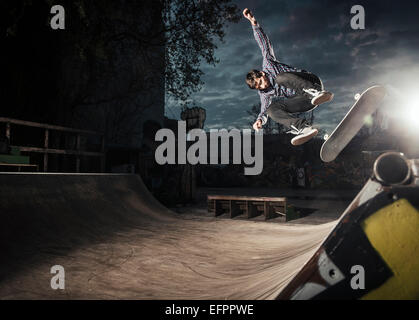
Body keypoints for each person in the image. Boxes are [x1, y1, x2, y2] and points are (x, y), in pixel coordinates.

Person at [243, 8, 334, 145]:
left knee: (280, 78)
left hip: (310, 82)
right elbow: (263, 111)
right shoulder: (264, 93)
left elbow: (264, 45)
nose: (263, 86)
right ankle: (303, 128)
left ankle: (316, 92)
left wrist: (254, 24)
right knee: (271, 110)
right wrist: (259, 120)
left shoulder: (268, 63)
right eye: (259, 87)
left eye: (261, 81)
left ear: (261, 73)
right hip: (305, 101)